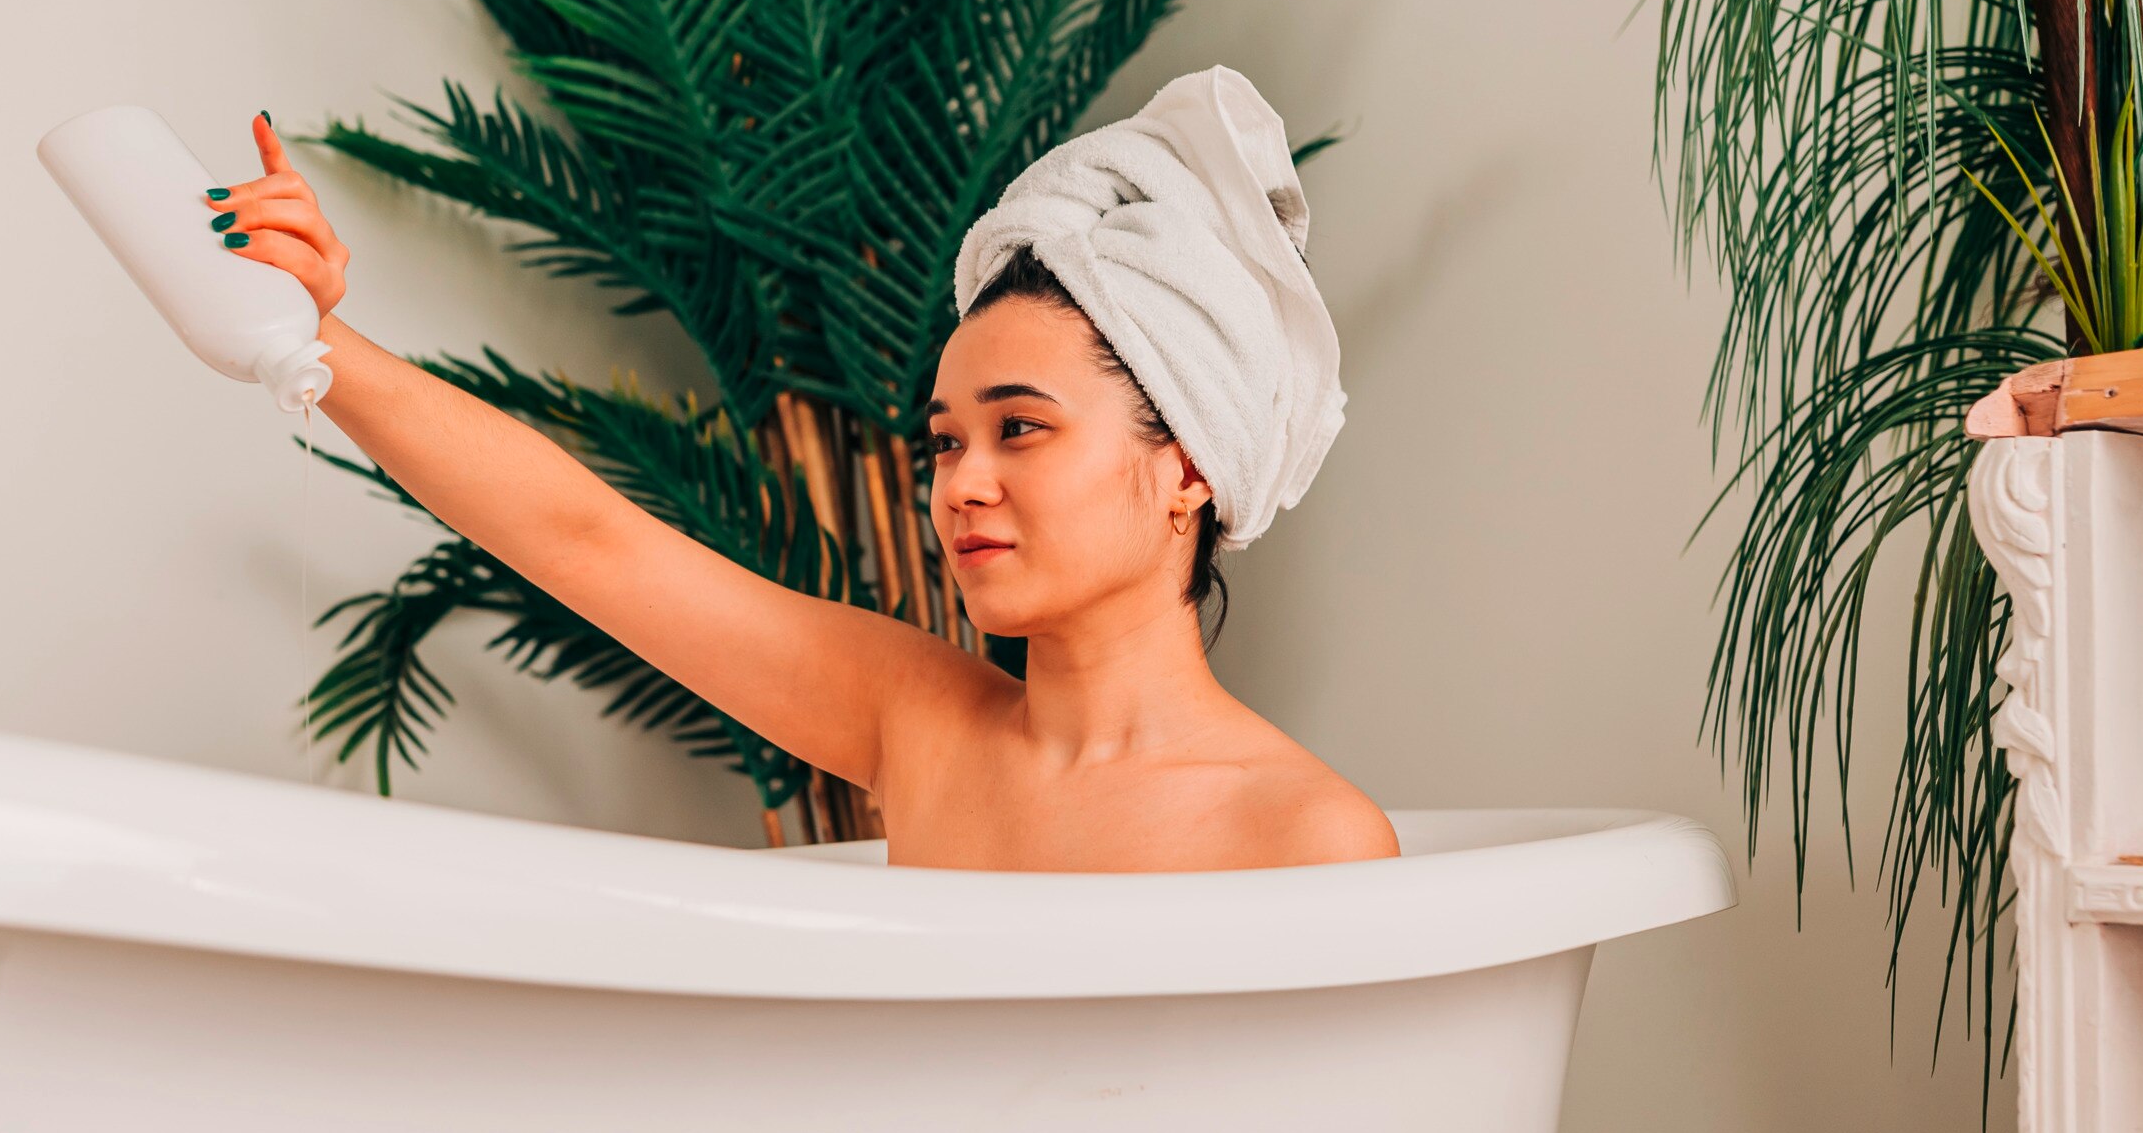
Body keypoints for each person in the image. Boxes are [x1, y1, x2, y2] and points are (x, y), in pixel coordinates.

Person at [208, 66, 1395, 873]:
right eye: (945, 440)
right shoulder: (921, 726)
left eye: (1021, 429)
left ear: (1186, 467)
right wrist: (317, 341)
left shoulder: (1306, 839)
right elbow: (588, 539)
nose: (961, 484)